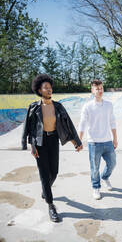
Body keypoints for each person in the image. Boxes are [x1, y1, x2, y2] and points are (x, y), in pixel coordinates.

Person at [22, 74, 83, 222]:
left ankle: (45, 190)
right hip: (40, 142)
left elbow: (68, 124)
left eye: (50, 87)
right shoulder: (34, 107)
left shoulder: (58, 106)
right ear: (39, 90)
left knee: (54, 172)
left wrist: (76, 141)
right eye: (45, 88)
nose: (49, 90)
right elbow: (28, 127)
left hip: (53, 140)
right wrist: (29, 145)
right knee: (44, 173)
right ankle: (51, 205)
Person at [78, 79, 117, 200]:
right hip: (94, 143)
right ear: (92, 90)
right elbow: (82, 124)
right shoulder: (88, 106)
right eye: (97, 89)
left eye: (101, 88)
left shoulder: (109, 105)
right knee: (94, 168)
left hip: (108, 141)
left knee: (112, 163)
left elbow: (112, 122)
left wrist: (115, 139)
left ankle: (105, 177)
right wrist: (79, 141)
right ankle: (96, 187)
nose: (100, 91)